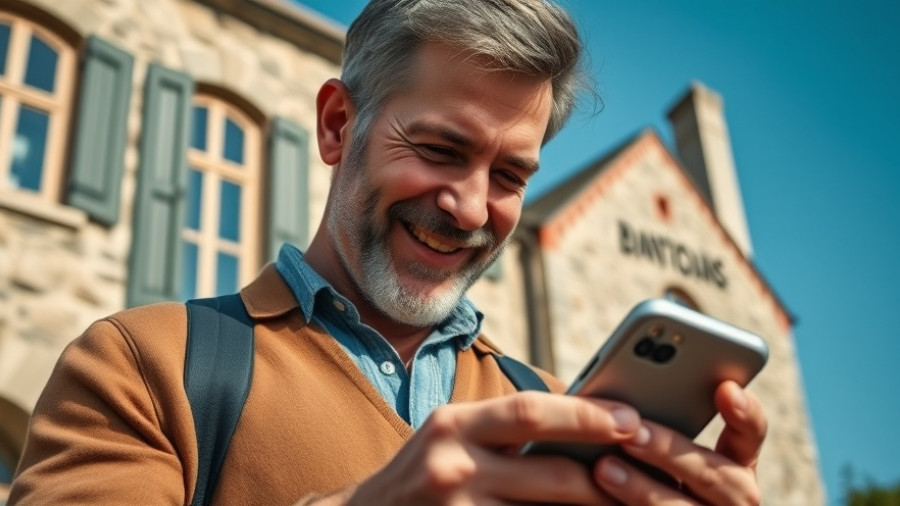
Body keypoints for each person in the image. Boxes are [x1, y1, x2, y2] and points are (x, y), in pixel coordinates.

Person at [10, 0, 767, 504]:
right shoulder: (141, 365)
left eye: (509, 175)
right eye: (439, 148)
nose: (471, 208)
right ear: (339, 126)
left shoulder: (558, 411)